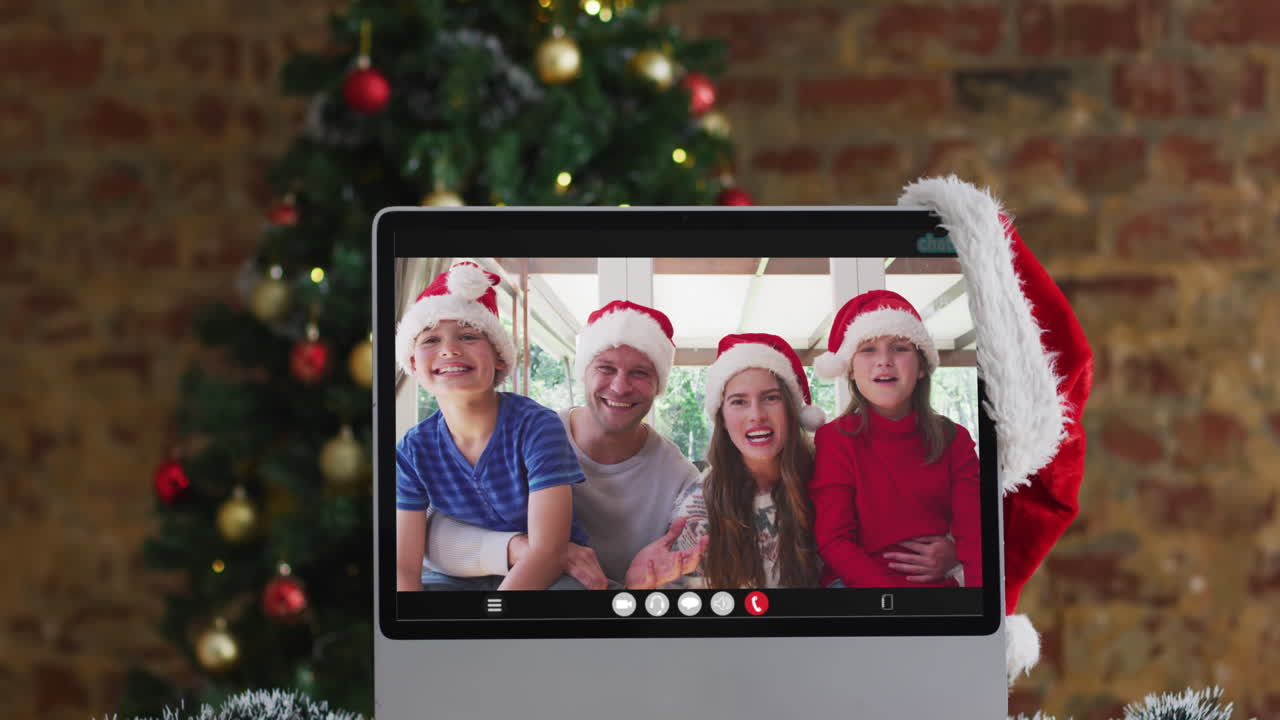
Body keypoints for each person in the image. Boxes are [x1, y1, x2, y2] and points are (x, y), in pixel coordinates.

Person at [422, 300, 706, 589]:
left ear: (659, 385)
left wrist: (638, 588)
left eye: (640, 373)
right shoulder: (525, 434)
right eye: (605, 368)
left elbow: (687, 590)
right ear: (583, 372)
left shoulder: (681, 480)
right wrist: (524, 549)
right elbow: (427, 534)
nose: (620, 387)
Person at [394, 261, 589, 591]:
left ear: (500, 356)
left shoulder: (536, 426)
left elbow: (549, 551)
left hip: (549, 573)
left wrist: (492, 624)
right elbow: (404, 566)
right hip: (458, 574)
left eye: (469, 335)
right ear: (413, 363)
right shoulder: (412, 449)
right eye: (430, 340)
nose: (450, 349)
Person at [808, 289, 981, 589]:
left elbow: (976, 534)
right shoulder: (834, 440)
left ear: (922, 366)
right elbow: (834, 541)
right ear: (849, 369)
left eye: (900, 348)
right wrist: (895, 601)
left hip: (939, 591)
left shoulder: (955, 440)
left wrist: (962, 568)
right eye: (868, 349)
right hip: (858, 590)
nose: (884, 361)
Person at [649, 333, 829, 589]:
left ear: (791, 409)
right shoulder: (699, 508)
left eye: (771, 398)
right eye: (739, 402)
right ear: (721, 418)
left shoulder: (829, 479)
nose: (756, 415)